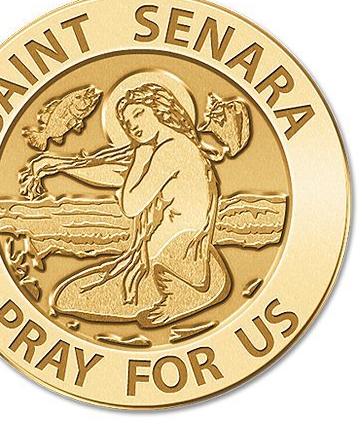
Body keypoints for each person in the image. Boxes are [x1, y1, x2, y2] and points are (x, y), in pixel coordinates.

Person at [46, 83, 231, 327]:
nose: (132, 125)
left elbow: (131, 204)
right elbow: (117, 175)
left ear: (160, 109)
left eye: (138, 113)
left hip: (169, 260)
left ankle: (183, 294)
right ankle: (190, 291)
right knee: (77, 290)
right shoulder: (175, 146)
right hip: (169, 254)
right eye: (126, 122)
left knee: (69, 297)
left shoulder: (171, 149)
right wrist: (61, 166)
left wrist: (140, 156)